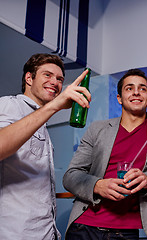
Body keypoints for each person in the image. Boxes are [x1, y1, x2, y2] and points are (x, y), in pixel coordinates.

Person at [63, 69, 147, 240]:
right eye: (129, 88)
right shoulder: (97, 129)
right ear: (119, 98)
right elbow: (70, 176)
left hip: (128, 231)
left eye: (142, 88)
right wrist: (97, 185)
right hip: (84, 225)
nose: (136, 92)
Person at [0, 53, 91, 239]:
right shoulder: (9, 105)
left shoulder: (40, 121)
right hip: (16, 233)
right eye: (47, 75)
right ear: (29, 78)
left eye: (60, 79)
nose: (55, 82)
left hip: (46, 233)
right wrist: (54, 106)